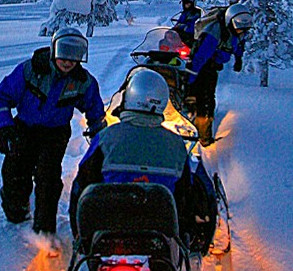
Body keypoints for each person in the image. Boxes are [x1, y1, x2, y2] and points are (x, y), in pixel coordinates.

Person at [69, 69, 217, 253]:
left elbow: (82, 185)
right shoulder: (176, 144)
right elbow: (185, 193)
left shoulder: (106, 137)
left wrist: (80, 234)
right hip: (160, 232)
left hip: (109, 230)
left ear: (129, 98)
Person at [0, 28, 107, 236]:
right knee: (15, 172)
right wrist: (4, 128)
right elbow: (0, 97)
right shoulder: (31, 70)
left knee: (48, 178)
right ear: (54, 49)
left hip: (55, 133)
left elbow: (94, 110)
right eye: (64, 52)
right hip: (23, 129)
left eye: (75, 54)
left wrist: (101, 139)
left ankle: (44, 231)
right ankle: (16, 213)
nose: (68, 60)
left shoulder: (82, 81)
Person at [181, 5, 250, 144]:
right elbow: (199, 56)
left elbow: (238, 44)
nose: (241, 31)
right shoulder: (214, 33)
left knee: (203, 95)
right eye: (239, 28)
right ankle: (203, 137)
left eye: (243, 29)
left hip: (212, 64)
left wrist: (238, 58)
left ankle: (195, 124)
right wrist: (191, 76)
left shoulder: (236, 29)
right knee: (205, 98)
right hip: (204, 65)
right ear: (230, 21)